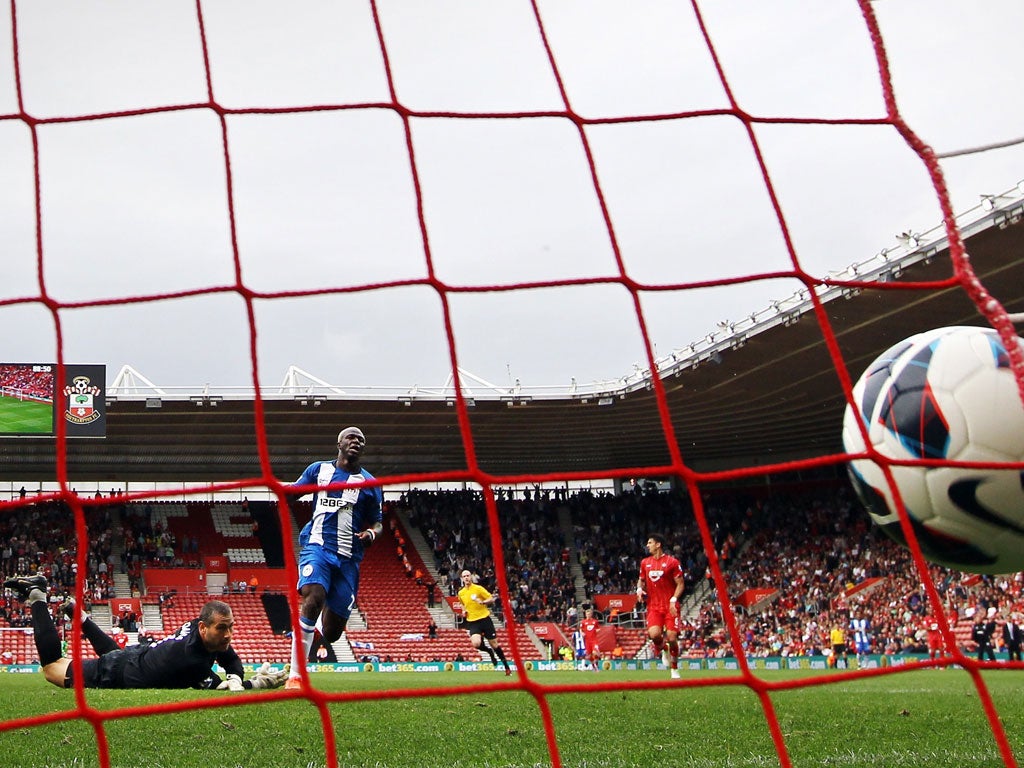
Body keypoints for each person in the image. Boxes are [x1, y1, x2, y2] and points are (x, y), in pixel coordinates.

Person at [2, 574, 287, 690]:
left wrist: (237, 675)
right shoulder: (191, 660)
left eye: (231, 628)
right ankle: (37, 594)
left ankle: (79, 615)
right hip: (120, 672)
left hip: (137, 657)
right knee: (52, 668)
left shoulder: (198, 628)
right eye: (222, 628)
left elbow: (229, 658)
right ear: (204, 627)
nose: (228, 635)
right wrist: (255, 684)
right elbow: (218, 689)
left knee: (115, 652)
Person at [286, 426, 383, 689]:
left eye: (361, 440)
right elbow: (295, 492)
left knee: (332, 631)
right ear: (339, 443)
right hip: (317, 546)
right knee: (314, 595)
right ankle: (296, 675)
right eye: (351, 437)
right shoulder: (319, 470)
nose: (356, 442)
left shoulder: (370, 484)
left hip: (348, 558)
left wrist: (372, 534)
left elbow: (378, 522)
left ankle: (314, 628)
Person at [636, 533, 684, 679]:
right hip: (654, 606)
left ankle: (674, 669)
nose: (647, 545)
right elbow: (641, 580)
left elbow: (680, 584)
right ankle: (663, 649)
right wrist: (639, 589)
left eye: (650, 542)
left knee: (672, 637)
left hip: (670, 605)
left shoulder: (672, 562)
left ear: (658, 545)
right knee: (655, 635)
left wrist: (673, 599)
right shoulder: (645, 562)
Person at [457, 569, 511, 675]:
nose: (466, 578)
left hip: (485, 619)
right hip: (472, 621)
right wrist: (463, 611)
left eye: (468, 575)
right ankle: (489, 652)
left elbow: (491, 598)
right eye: (464, 576)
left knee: (495, 644)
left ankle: (506, 667)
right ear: (462, 579)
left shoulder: (478, 589)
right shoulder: (461, 593)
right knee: (476, 644)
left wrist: (483, 602)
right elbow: (462, 603)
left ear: (471, 577)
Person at [580, 607, 601, 672]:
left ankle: (596, 666)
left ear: (591, 614)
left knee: (595, 653)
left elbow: (599, 628)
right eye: (587, 614)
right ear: (585, 615)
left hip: (594, 640)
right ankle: (594, 667)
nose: (588, 615)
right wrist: (582, 633)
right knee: (589, 656)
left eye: (589, 614)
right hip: (587, 641)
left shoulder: (595, 621)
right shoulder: (583, 622)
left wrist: (597, 631)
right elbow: (580, 629)